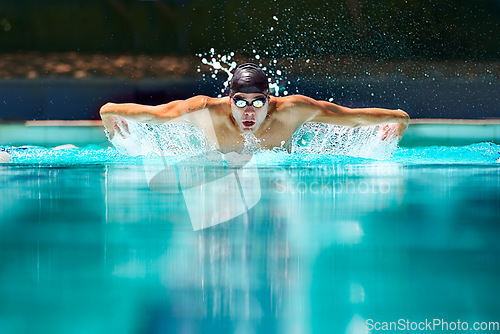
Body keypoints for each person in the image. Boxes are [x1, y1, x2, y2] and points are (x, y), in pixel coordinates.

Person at [100, 63, 409, 153]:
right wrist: (109, 113)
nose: (249, 111)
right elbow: (152, 115)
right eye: (240, 102)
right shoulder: (205, 110)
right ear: (228, 98)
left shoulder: (292, 110)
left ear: (269, 100)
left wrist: (400, 121)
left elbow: (351, 119)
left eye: (258, 102)